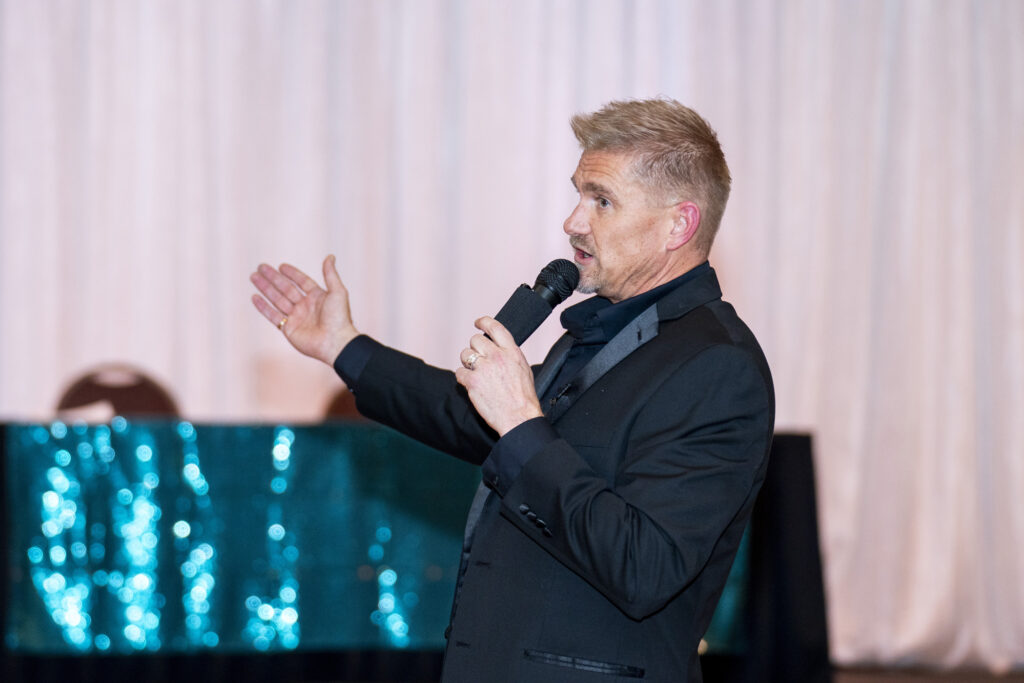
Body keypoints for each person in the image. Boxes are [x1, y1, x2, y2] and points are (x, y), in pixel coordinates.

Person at [250, 98, 774, 683]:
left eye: (601, 201)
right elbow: (466, 416)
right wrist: (343, 347)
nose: (573, 222)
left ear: (679, 224)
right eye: (578, 195)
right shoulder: (605, 332)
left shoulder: (717, 365)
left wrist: (524, 423)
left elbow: (644, 565)